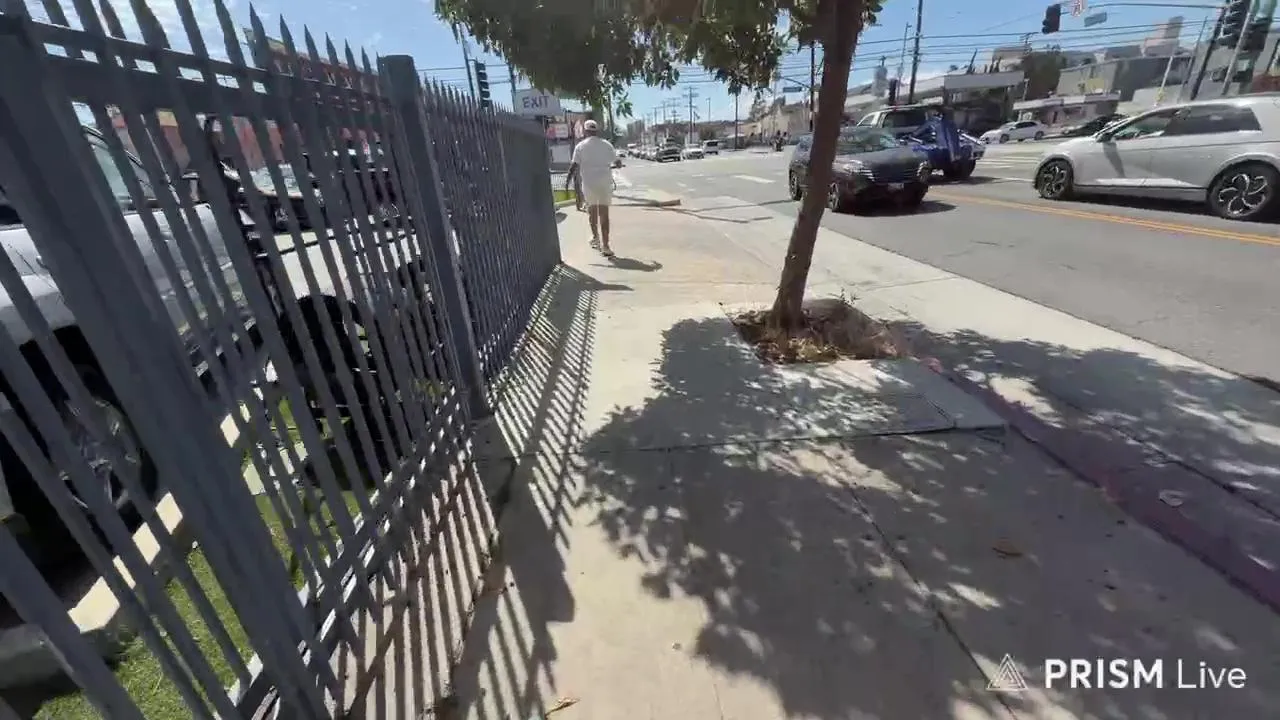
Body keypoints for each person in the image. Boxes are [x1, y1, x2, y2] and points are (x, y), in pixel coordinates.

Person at [566, 119, 618, 256]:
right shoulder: (607, 145)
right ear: (597, 131)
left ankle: (595, 238)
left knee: (592, 212)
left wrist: (567, 181)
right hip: (605, 183)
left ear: (585, 131)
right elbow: (617, 162)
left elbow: (574, 165)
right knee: (604, 214)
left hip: (589, 184)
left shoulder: (580, 146)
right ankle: (606, 246)